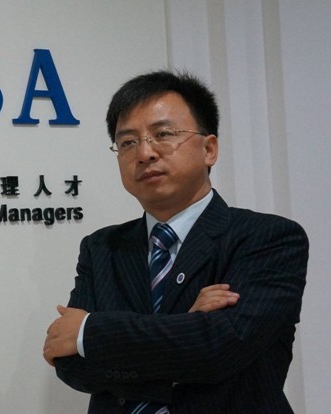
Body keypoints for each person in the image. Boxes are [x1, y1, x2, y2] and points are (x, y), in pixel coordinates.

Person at [43, 70, 309, 414]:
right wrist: (187, 326)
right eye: (127, 142)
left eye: (163, 134)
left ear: (209, 149)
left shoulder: (268, 237)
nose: (145, 153)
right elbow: (71, 366)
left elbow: (218, 348)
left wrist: (88, 332)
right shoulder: (101, 247)